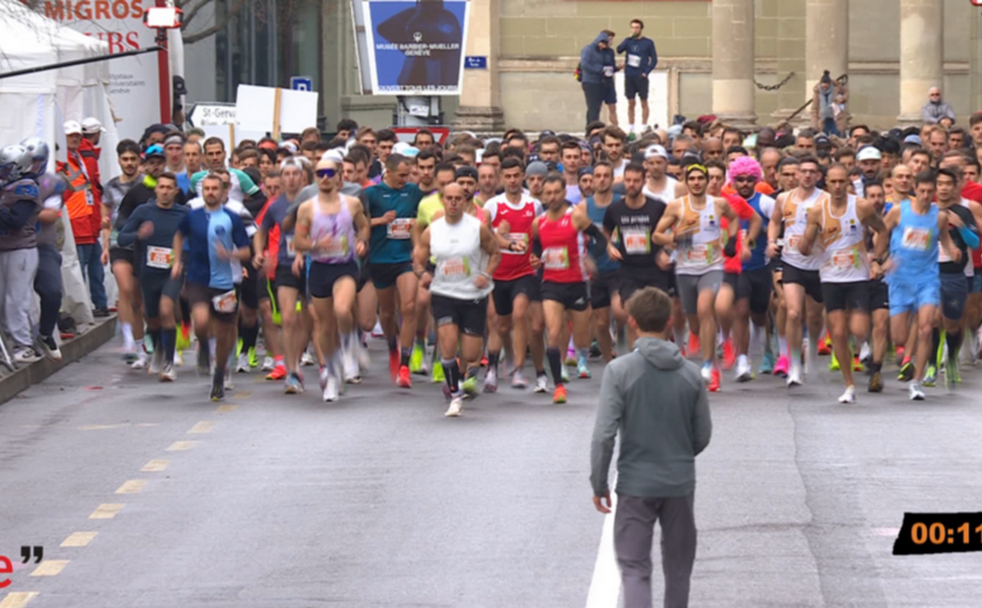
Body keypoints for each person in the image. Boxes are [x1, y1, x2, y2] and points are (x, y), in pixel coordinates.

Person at [590, 286, 711, 608]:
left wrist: (600, 482)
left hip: (635, 483)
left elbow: (604, 433)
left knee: (634, 568)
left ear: (631, 322)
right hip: (679, 482)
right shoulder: (691, 374)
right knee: (678, 569)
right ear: (670, 322)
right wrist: (679, 454)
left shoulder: (619, 371)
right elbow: (702, 434)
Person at [798, 164, 885, 403]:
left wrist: (876, 258)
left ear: (849, 183)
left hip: (857, 276)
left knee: (857, 328)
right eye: (833, 182)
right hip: (830, 277)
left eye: (842, 182)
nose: (837, 187)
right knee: (837, 331)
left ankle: (864, 345)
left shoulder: (861, 206)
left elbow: (882, 229)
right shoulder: (817, 211)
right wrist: (805, 242)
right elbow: (805, 247)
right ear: (826, 183)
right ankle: (849, 385)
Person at [414, 182, 501, 416]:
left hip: (473, 294)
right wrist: (423, 275)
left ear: (465, 200)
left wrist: (486, 275)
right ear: (442, 200)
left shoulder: (477, 228)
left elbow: (495, 252)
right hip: (444, 292)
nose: (453, 202)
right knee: (448, 345)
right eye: (448, 198)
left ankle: (461, 378)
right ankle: (454, 395)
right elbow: (418, 259)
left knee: (471, 353)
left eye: (458, 198)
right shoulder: (433, 230)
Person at [874, 170, 961, 400]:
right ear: (915, 189)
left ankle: (916, 382)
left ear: (934, 193)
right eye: (921, 191)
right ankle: (906, 353)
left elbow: (946, 240)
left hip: (927, 279)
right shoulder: (898, 212)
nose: (925, 195)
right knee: (899, 337)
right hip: (900, 280)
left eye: (929, 191)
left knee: (926, 328)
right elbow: (882, 234)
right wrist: (879, 259)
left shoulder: (939, 216)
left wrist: (953, 250)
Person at [654, 164, 740, 392]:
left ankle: (708, 365)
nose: (696, 182)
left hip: (712, 267)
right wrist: (675, 237)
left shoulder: (718, 204)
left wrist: (732, 240)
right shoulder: (676, 207)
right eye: (691, 179)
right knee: (694, 322)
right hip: (685, 269)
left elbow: (734, 219)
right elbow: (656, 235)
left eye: (700, 178)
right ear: (686, 181)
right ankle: (709, 349)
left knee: (705, 310)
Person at [293, 158, 370, 402]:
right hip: (319, 268)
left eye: (330, 173)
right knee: (325, 327)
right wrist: (316, 244)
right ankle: (332, 372)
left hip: (345, 266)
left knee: (343, 308)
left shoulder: (353, 203)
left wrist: (361, 241)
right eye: (320, 173)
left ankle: (349, 346)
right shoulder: (307, 207)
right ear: (315, 177)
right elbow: (298, 241)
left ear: (339, 177)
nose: (325, 177)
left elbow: (364, 226)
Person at [171, 173, 251, 401]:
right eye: (207, 189)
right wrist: (177, 261)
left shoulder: (232, 218)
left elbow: (246, 250)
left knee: (226, 332)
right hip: (198, 278)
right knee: (202, 320)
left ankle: (219, 376)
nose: (211, 193)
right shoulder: (192, 216)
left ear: (224, 191)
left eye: (215, 188)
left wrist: (231, 254)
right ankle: (204, 345)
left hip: (225, 282)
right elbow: (178, 235)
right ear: (201, 191)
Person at [532, 173, 607, 403]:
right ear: (543, 194)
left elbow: (601, 239)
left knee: (582, 338)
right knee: (553, 332)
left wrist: (591, 258)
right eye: (548, 193)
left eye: (557, 193)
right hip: (551, 283)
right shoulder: (539, 222)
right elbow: (535, 248)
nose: (552, 197)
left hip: (577, 283)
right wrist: (536, 260)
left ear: (564, 193)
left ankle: (579, 354)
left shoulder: (576, 217)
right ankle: (558, 385)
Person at [116, 172, 188, 382]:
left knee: (167, 310)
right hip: (148, 272)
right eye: (161, 187)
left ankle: (168, 364)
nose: (165, 191)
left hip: (172, 271)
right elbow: (121, 238)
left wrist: (183, 262)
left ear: (176, 191)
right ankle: (158, 350)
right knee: (152, 318)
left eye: (169, 187)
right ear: (156, 189)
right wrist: (139, 234)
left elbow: (196, 240)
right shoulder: (143, 211)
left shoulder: (183, 214)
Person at [486, 160, 549, 392]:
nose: (512, 180)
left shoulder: (534, 205)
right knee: (501, 325)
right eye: (508, 176)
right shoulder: (493, 205)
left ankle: (520, 370)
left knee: (520, 313)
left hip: (524, 272)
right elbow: (483, 237)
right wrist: (496, 233)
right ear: (501, 177)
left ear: (523, 176)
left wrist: (537, 255)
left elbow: (542, 235)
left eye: (516, 176)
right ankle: (498, 365)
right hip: (500, 273)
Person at [362, 153, 424, 387]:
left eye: (408, 175)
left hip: (405, 258)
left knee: (409, 306)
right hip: (379, 259)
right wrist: (379, 221)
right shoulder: (371, 194)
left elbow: (424, 216)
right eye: (401, 175)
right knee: (387, 313)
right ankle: (392, 348)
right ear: (387, 172)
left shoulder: (413, 192)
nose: (405, 180)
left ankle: (405, 365)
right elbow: (357, 222)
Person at [766, 156, 827, 386]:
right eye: (804, 171)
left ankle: (810, 348)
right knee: (792, 312)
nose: (808, 175)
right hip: (791, 261)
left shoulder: (825, 200)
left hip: (818, 264)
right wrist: (772, 241)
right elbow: (774, 221)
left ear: (819, 176)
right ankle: (794, 365)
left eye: (813, 171)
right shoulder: (784, 198)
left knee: (813, 316)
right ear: (797, 175)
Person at [61, 120, 108, 317]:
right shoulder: (65, 160)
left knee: (95, 268)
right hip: (76, 221)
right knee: (79, 268)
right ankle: (82, 309)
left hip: (87, 220)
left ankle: (97, 304)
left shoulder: (79, 156)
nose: (75, 139)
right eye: (71, 136)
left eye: (77, 136)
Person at [0, 144, 42, 364]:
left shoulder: (26, 187)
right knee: (2, 299)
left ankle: (24, 345)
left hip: (21, 249)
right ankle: (9, 343)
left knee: (15, 300)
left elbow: (16, 220)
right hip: (4, 249)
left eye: (6, 168)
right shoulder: (6, 186)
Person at [616, 18, 657, 135]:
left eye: (637, 28)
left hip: (641, 76)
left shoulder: (648, 43)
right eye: (633, 27)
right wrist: (628, 38)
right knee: (631, 102)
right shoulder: (628, 41)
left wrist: (646, 72)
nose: (635, 30)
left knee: (644, 101)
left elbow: (654, 59)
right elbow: (619, 50)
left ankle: (643, 127)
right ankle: (632, 128)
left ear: (641, 29)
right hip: (629, 75)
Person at [580, 32, 614, 128]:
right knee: (593, 107)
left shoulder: (605, 52)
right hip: (590, 82)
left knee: (597, 108)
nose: (603, 46)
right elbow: (585, 64)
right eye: (602, 43)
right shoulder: (588, 49)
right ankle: (591, 128)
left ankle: (594, 127)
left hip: (601, 82)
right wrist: (600, 69)